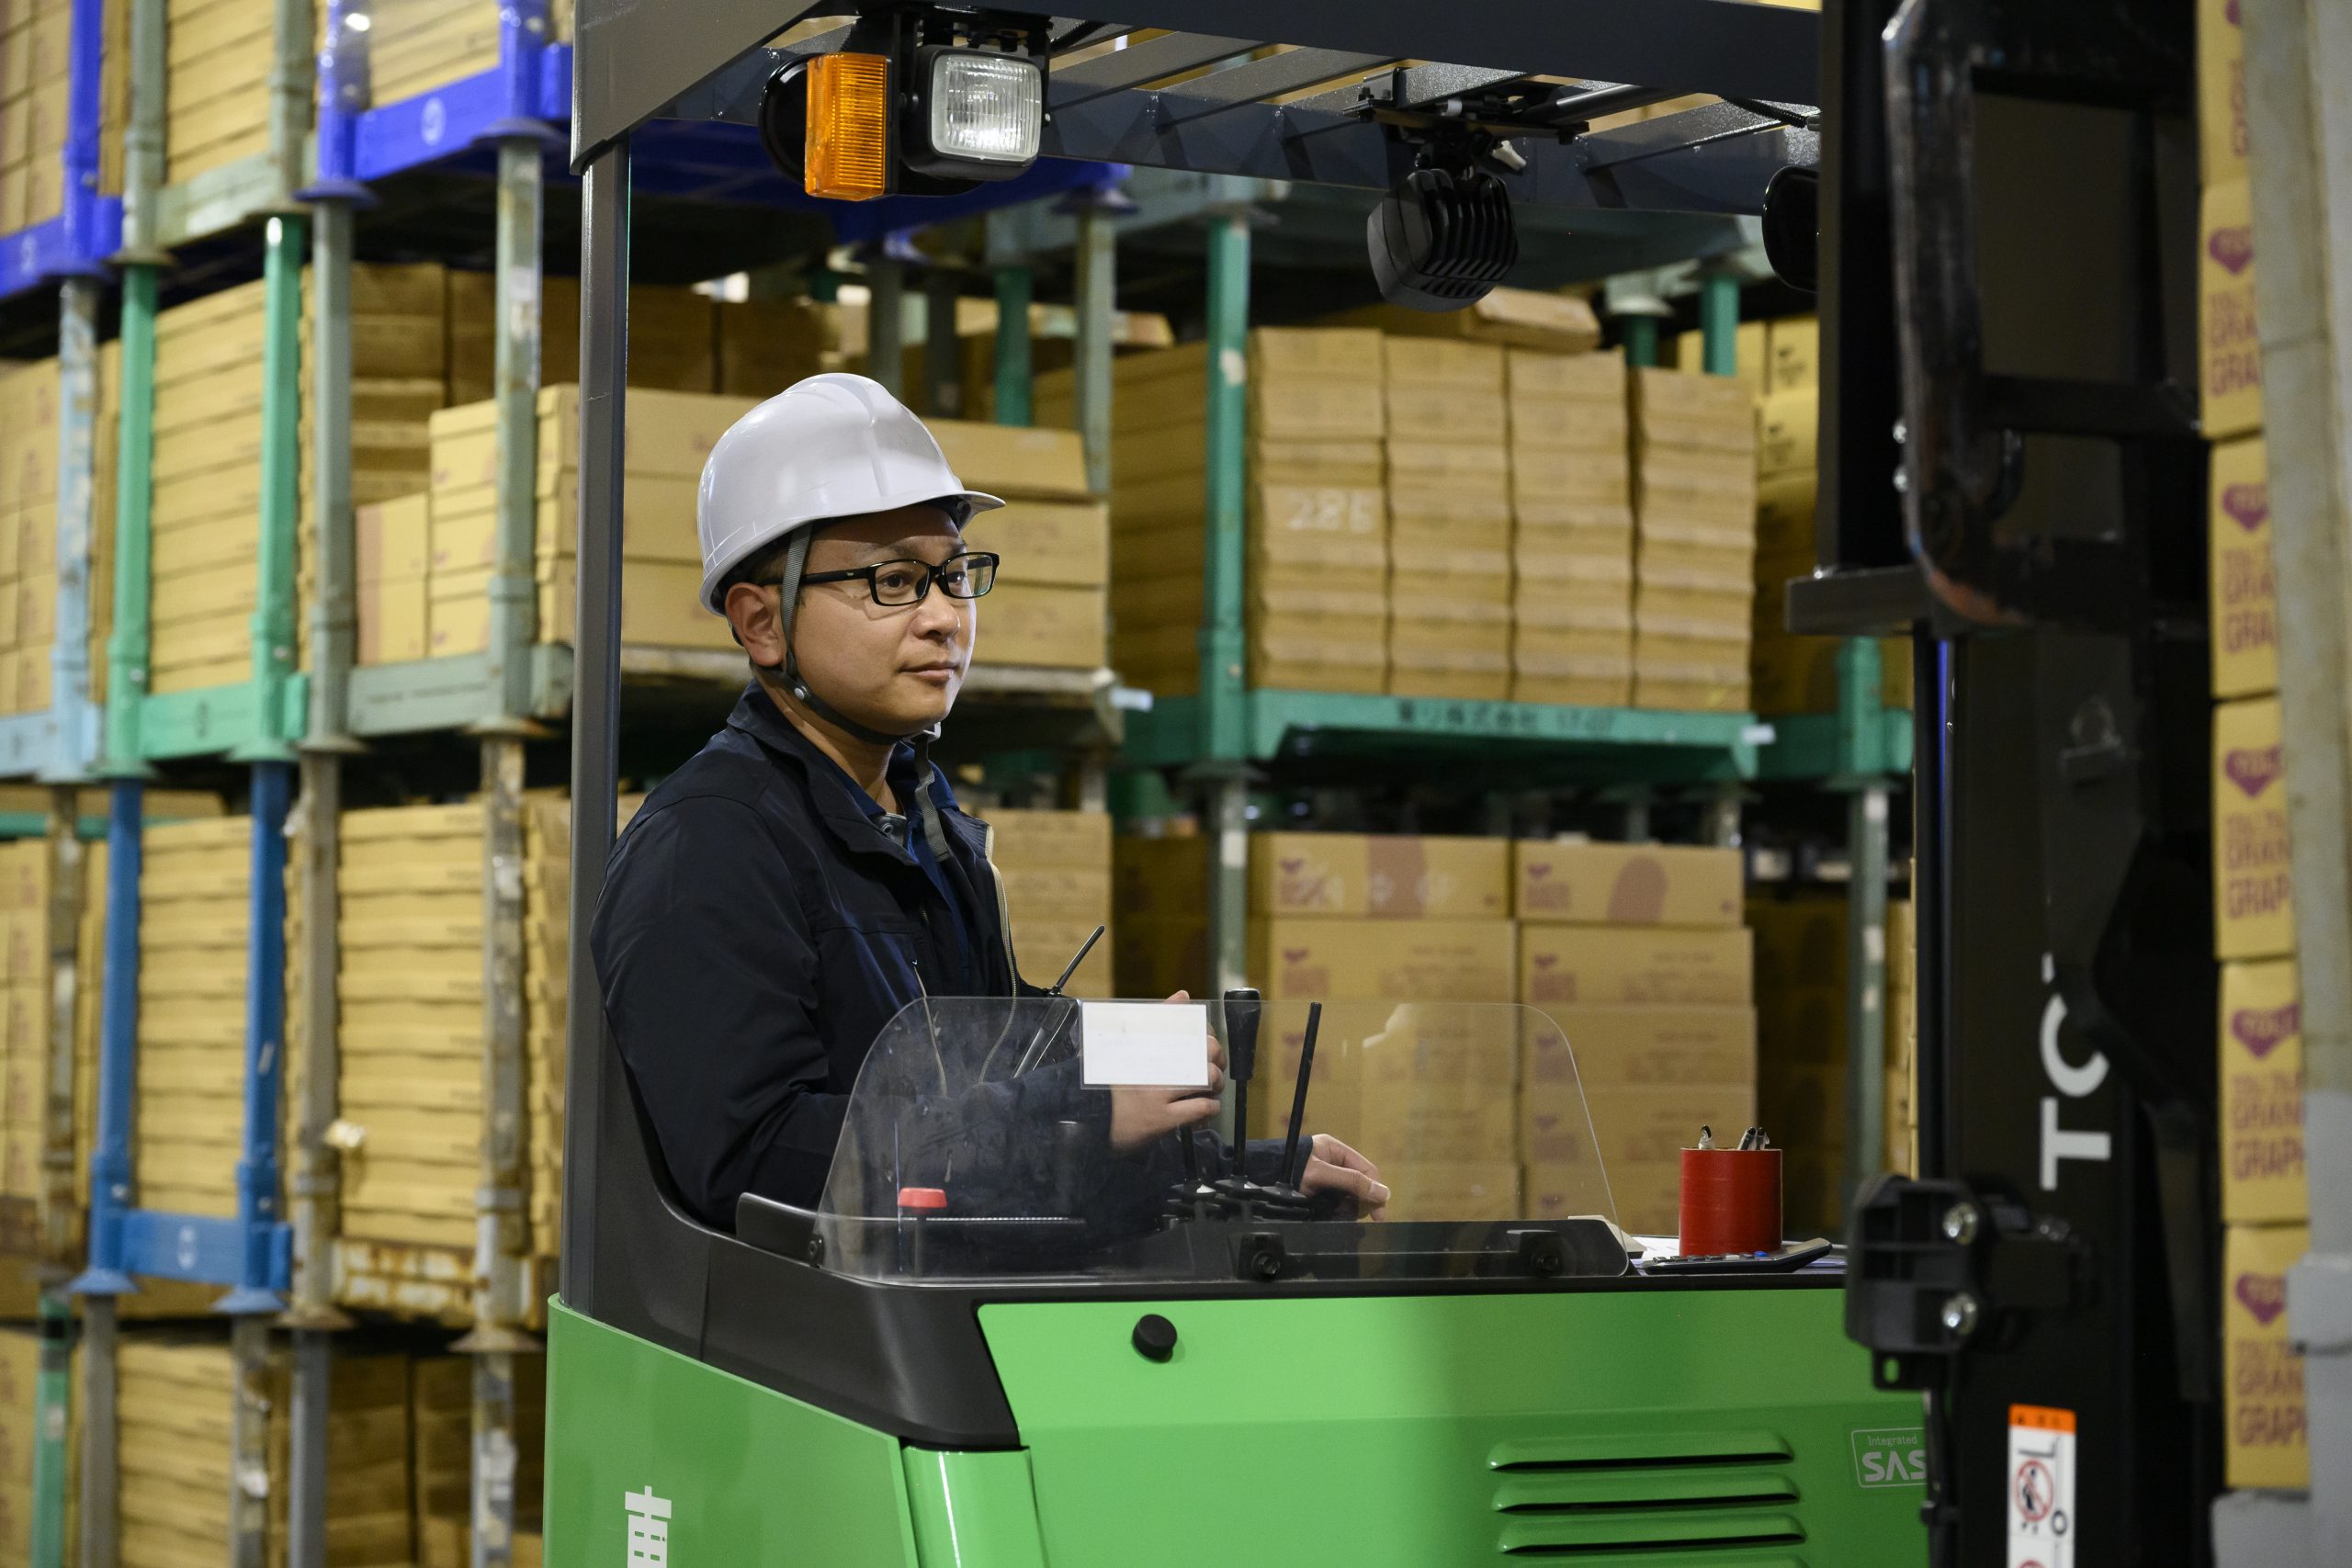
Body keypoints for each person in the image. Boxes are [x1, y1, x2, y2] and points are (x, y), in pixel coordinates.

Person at [590, 374, 1389, 1230]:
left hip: (931, 1317)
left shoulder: (928, 832)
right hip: (787, 1343)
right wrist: (1076, 1110)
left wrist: (1245, 1171)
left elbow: (987, 1095)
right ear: (762, 623)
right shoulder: (710, 847)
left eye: (954, 575)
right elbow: (756, 1161)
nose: (945, 618)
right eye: (894, 581)